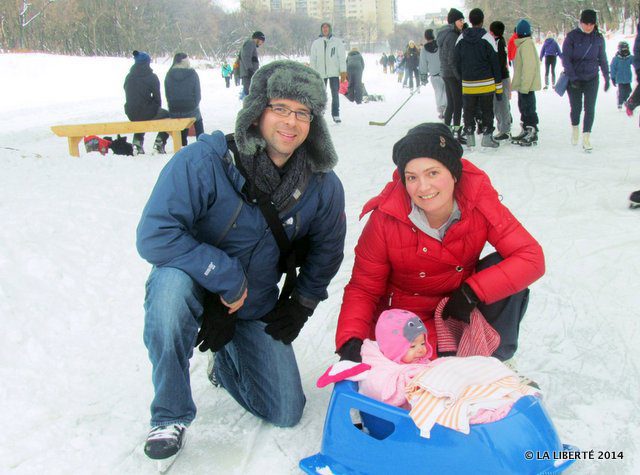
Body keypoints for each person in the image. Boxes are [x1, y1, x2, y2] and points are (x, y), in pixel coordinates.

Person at [136, 60, 346, 464]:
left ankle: (225, 355)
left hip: (254, 301)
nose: (291, 122)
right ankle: (170, 413)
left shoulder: (321, 183)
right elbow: (155, 234)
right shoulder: (204, 162)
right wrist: (225, 276)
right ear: (257, 112)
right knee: (168, 295)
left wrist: (302, 304)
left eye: (303, 113)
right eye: (280, 108)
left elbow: (328, 250)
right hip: (195, 283)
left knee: (286, 411)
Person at [335, 123, 544, 369]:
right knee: (409, 395)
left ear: (454, 173)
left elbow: (531, 257)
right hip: (406, 323)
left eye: (433, 173)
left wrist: (472, 291)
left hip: (456, 310)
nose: (423, 187)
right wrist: (350, 341)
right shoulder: (386, 218)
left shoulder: (478, 201)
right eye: (412, 177)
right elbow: (364, 287)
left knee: (503, 268)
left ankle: (496, 362)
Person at [561, 9, 610, 151]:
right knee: (576, 108)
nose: (589, 26)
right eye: (586, 23)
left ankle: (587, 137)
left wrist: (607, 77)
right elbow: (566, 59)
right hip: (574, 79)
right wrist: (573, 78)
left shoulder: (598, 38)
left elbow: (602, 59)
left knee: (590, 108)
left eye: (591, 24)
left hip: (592, 78)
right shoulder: (571, 37)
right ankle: (575, 127)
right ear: (580, 22)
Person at [454, 8, 503, 148]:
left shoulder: (461, 38)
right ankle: (487, 137)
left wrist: (462, 78)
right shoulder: (488, 38)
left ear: (470, 20)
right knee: (487, 111)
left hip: (468, 84)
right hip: (487, 83)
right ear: (482, 21)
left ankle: (470, 137)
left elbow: (455, 62)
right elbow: (495, 64)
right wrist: (499, 90)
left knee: (468, 111)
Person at [123, 50, 169, 155]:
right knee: (167, 115)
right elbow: (158, 98)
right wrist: (155, 108)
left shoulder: (129, 77)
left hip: (130, 112)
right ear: (147, 63)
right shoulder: (152, 77)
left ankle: (137, 141)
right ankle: (160, 141)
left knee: (140, 116)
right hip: (146, 111)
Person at [510, 19, 541, 146]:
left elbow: (529, 68)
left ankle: (531, 130)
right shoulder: (523, 44)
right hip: (523, 85)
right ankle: (526, 128)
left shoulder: (526, 45)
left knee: (528, 108)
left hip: (526, 86)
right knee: (523, 107)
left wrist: (525, 86)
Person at [437, 8, 466, 144]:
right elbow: (452, 58)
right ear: (454, 21)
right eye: (460, 20)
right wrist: (458, 76)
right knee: (457, 104)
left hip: (445, 73)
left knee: (451, 104)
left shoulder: (445, 34)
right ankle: (456, 132)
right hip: (452, 74)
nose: (462, 22)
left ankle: (446, 131)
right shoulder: (453, 36)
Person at [309, 22, 347, 123]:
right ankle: (319, 114)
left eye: (327, 28)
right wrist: (313, 73)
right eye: (323, 28)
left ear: (330, 29)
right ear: (321, 30)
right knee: (320, 95)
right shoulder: (316, 43)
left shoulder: (337, 42)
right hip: (320, 73)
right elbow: (313, 59)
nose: (325, 29)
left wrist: (343, 71)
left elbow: (342, 58)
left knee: (335, 94)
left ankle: (336, 114)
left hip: (334, 73)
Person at [164, 53, 204, 147]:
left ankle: (182, 143)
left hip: (174, 109)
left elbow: (167, 94)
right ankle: (201, 142)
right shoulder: (192, 73)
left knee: (181, 115)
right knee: (198, 119)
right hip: (190, 108)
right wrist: (194, 104)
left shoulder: (169, 74)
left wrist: (172, 105)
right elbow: (198, 94)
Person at [489, 21, 512, 141]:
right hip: (500, 77)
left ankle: (505, 129)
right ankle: (503, 127)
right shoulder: (499, 42)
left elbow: (500, 62)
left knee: (501, 104)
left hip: (500, 78)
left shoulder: (499, 43)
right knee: (499, 104)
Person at [419, 28, 447, 119]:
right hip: (445, 72)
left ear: (425, 37)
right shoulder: (440, 45)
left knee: (438, 92)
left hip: (434, 75)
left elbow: (423, 63)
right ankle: (447, 108)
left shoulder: (424, 49)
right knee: (446, 92)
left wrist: (423, 76)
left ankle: (441, 110)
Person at [239, 31, 266, 98]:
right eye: (261, 42)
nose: (261, 44)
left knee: (249, 91)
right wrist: (249, 69)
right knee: (248, 92)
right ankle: (246, 105)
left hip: (249, 73)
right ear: (258, 39)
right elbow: (246, 56)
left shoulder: (251, 44)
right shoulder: (250, 43)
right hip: (248, 73)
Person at [610, 41, 634, 110]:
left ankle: (625, 100)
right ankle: (620, 103)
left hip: (628, 78)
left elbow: (635, 61)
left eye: (626, 49)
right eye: (623, 49)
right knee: (621, 91)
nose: (625, 51)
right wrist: (613, 77)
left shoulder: (630, 58)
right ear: (620, 49)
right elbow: (612, 68)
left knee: (629, 90)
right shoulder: (616, 59)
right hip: (619, 79)